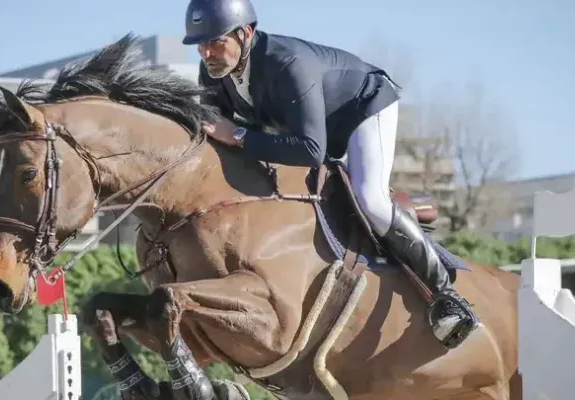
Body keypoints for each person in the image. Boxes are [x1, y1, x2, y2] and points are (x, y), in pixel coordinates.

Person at [181, 0, 481, 348]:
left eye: (215, 41)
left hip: (363, 107)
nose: (206, 52)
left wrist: (237, 135)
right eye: (200, 45)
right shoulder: (214, 74)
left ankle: (445, 295)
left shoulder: (286, 64)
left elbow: (310, 150)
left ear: (245, 33)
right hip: (311, 129)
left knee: (370, 200)